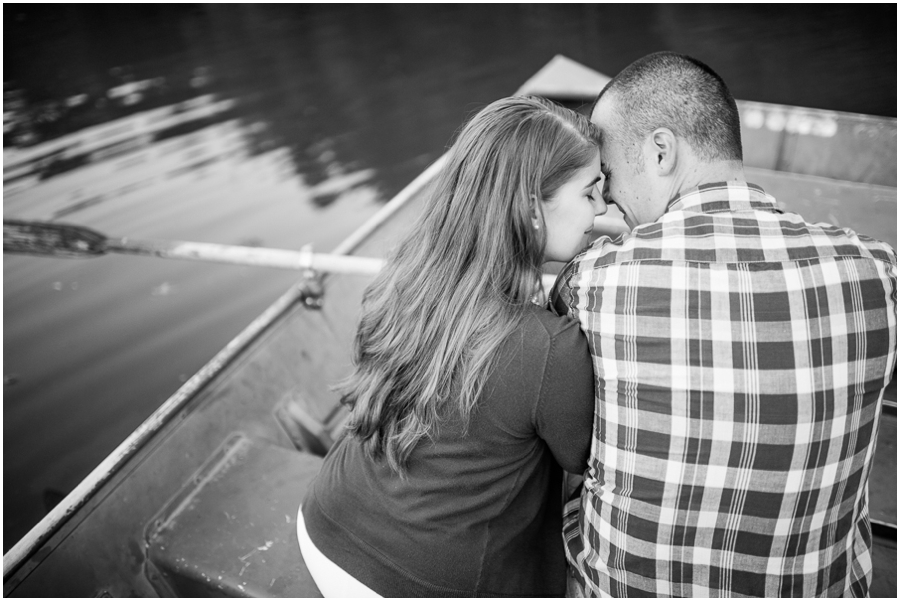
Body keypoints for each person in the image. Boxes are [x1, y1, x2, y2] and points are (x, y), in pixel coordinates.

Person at [554, 51, 897, 598]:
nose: (611, 205)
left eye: (611, 175)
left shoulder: (595, 278)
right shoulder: (877, 272)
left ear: (661, 151)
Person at [298, 95, 606, 597]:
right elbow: (582, 460)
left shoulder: (410, 279)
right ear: (530, 207)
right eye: (590, 193)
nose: (602, 208)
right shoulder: (548, 347)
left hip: (323, 527)